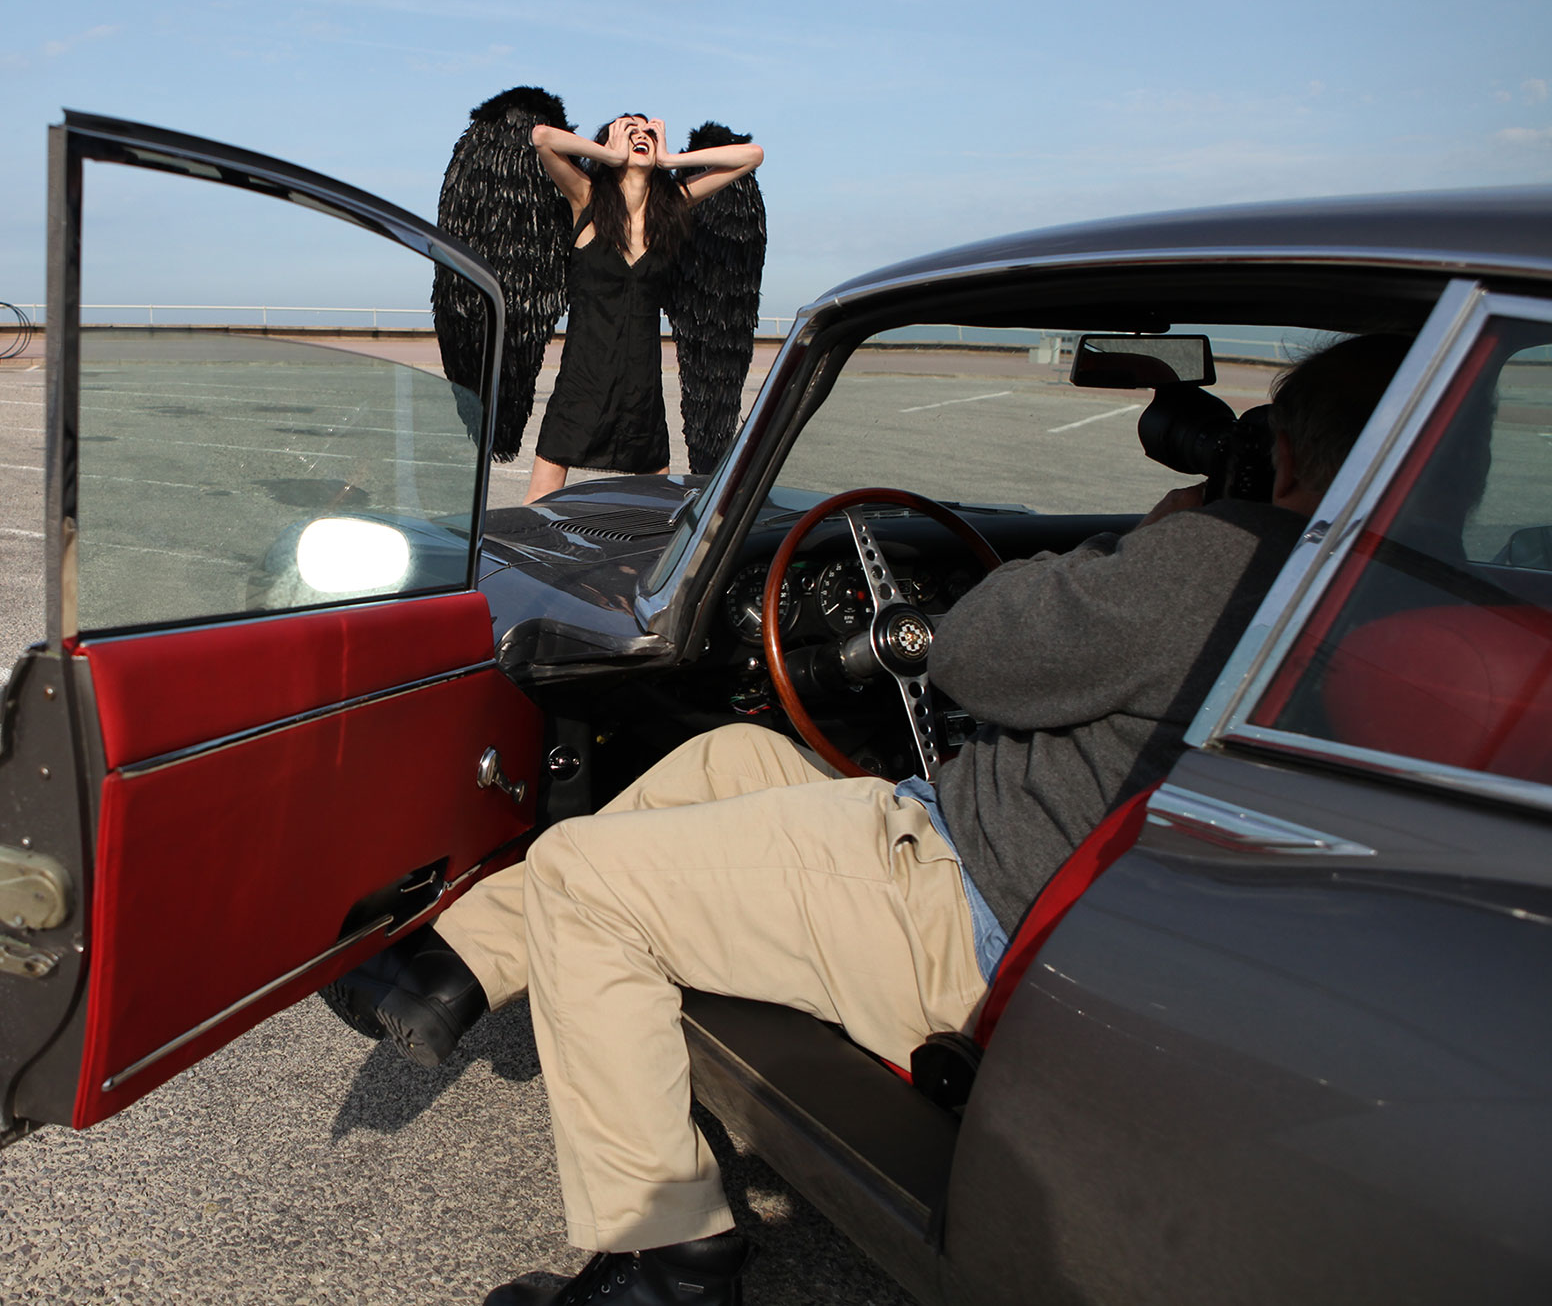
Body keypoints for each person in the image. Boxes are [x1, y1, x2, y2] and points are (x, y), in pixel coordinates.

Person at [327, 333, 1411, 1305]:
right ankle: (460, 966)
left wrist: (1158, 538)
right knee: (731, 755)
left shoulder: (1225, 558)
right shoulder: (1405, 592)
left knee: (581, 874)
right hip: (1066, 893)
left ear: (1287, 461)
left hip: (975, 910)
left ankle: (668, 1265)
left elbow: (973, 656)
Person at [524, 115, 764, 503]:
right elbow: (542, 138)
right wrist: (607, 154)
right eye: (629, 131)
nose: (641, 137)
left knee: (657, 506)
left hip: (642, 388)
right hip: (582, 382)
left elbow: (752, 156)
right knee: (538, 503)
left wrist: (671, 160)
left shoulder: (672, 205)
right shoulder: (586, 198)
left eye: (649, 132)